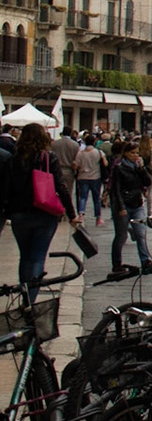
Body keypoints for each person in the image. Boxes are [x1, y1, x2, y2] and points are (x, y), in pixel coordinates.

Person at [2, 124, 80, 298]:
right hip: (44, 211)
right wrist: (71, 213)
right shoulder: (48, 157)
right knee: (38, 257)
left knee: (25, 256)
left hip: (19, 213)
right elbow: (61, 186)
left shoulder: (13, 159)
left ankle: (25, 295)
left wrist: (6, 211)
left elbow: (5, 189)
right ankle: (31, 298)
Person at [105, 139, 152, 275]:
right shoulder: (119, 167)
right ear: (125, 153)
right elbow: (116, 189)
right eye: (132, 153)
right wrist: (120, 207)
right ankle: (117, 264)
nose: (135, 156)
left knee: (140, 233)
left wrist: (141, 168)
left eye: (137, 153)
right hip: (124, 204)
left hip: (137, 203)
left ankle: (145, 261)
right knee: (121, 235)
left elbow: (147, 181)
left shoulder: (137, 167)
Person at [74, 136, 105, 226]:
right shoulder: (98, 152)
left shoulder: (80, 153)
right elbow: (105, 163)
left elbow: (76, 165)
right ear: (94, 142)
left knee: (83, 197)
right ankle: (98, 218)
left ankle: (81, 214)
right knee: (96, 198)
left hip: (82, 177)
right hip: (95, 177)